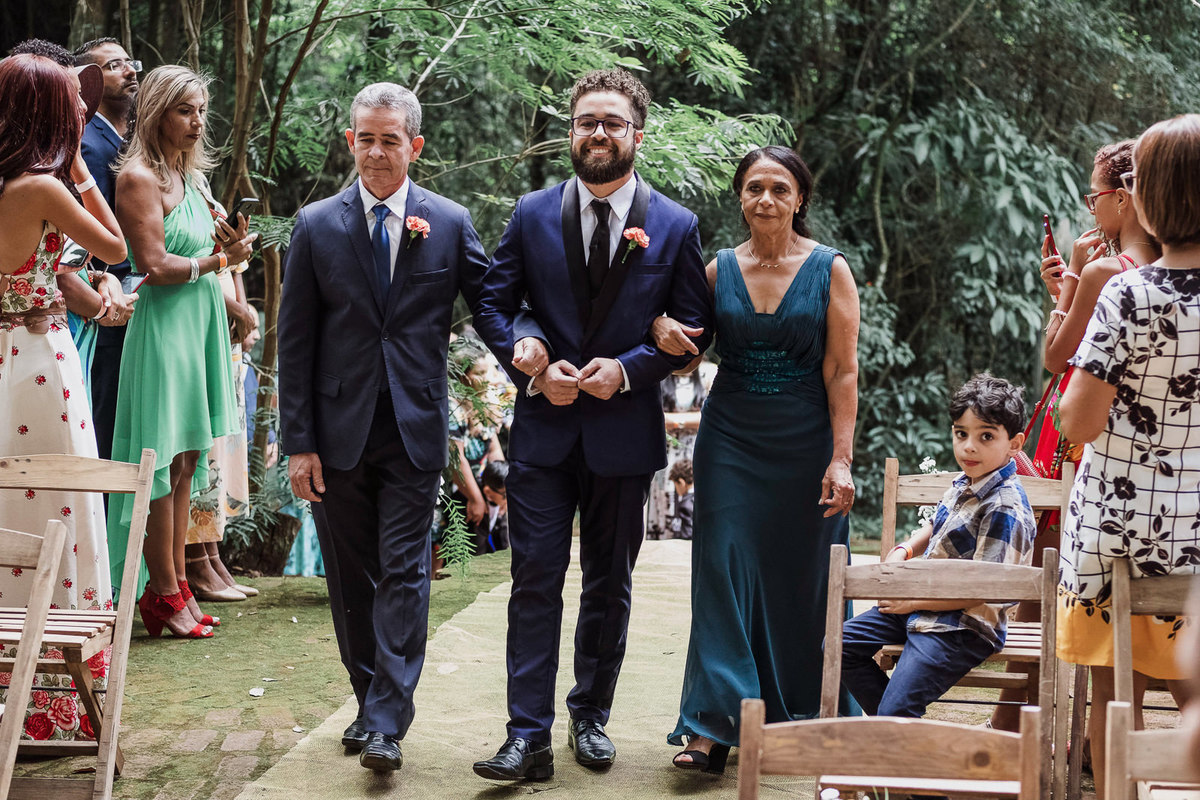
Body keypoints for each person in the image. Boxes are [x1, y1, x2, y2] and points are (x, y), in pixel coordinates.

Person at [471, 68, 711, 781]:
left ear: (637, 133)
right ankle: (526, 736)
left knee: (609, 582)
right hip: (545, 428)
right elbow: (494, 301)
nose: (597, 132)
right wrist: (526, 354)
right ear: (569, 132)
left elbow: (697, 327)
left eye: (611, 122)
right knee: (534, 578)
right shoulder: (530, 212)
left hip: (623, 433)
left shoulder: (675, 225)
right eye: (585, 121)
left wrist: (632, 368)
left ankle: (592, 714)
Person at [278, 82, 488, 773]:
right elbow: (295, 342)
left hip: (414, 427)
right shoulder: (315, 225)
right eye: (364, 138)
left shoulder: (450, 223)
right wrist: (299, 443)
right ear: (350, 141)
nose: (375, 151)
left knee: (402, 570)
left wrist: (537, 357)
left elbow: (492, 309)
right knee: (349, 575)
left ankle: (388, 722)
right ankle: (370, 699)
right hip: (336, 432)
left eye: (388, 139)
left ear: (414, 146)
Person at [651, 145, 859, 772]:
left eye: (779, 189)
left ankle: (801, 710)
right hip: (731, 441)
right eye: (754, 188)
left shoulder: (831, 270)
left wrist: (841, 458)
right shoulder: (716, 269)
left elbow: (843, 371)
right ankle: (712, 726)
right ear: (739, 197)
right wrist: (662, 330)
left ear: (800, 199)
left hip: (805, 443)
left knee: (803, 577)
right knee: (722, 570)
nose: (765, 199)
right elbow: (686, 353)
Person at [1056, 113, 1200, 800]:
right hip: (1198, 540)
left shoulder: (1130, 292)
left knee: (1118, 705)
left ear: (1157, 195)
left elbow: (1078, 419)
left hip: (1120, 534)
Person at [0, 51, 127, 740]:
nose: (83, 113)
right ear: (47, 116)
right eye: (72, 107)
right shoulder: (42, 189)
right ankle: (53, 706)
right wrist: (78, 171)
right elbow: (112, 247)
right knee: (60, 503)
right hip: (40, 362)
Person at [105, 65, 257, 640]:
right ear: (157, 113)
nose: (197, 123)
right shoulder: (138, 177)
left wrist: (233, 248)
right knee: (163, 465)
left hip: (200, 327)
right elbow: (154, 267)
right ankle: (162, 591)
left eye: (200, 111)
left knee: (190, 459)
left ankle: (176, 586)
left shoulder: (190, 177)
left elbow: (212, 247)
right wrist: (218, 263)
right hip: (166, 330)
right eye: (184, 111)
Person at [838, 374, 1036, 721]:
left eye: (985, 436)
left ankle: (895, 724)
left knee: (895, 709)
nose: (969, 447)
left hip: (962, 625)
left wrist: (911, 601)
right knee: (837, 645)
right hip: (923, 606)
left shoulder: (1005, 507)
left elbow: (983, 590)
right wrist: (905, 549)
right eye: (962, 434)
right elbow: (939, 524)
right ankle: (899, 730)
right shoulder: (965, 482)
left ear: (1015, 443)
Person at [74, 37, 139, 461]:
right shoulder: (88, 143)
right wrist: (103, 283)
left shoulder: (129, 137)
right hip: (102, 293)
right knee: (102, 412)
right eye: (114, 66)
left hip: (133, 289)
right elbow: (91, 232)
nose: (130, 70)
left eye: (130, 62)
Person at [663, 458, 694, 540]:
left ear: (681, 482)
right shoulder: (699, 499)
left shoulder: (686, 505)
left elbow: (687, 535)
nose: (676, 489)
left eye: (675, 485)